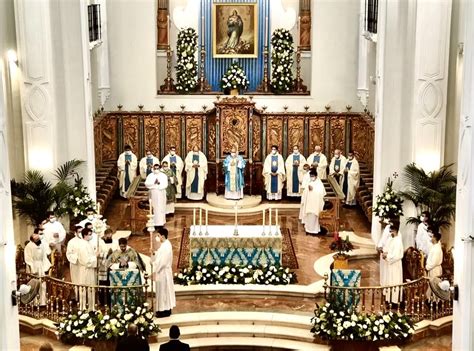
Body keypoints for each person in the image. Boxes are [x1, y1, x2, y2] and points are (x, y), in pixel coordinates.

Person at [24, 229, 51, 305]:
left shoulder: (41, 245)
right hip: (34, 266)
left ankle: (42, 302)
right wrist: (32, 269)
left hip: (41, 266)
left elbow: (44, 257)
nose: (38, 240)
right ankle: (33, 302)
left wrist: (46, 267)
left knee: (42, 285)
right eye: (37, 239)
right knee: (34, 285)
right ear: (33, 240)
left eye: (39, 239)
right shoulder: (29, 246)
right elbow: (28, 259)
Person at [153, 228, 176, 318]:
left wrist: (155, 266)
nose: (157, 238)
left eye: (158, 236)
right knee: (162, 292)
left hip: (163, 273)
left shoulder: (166, 246)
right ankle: (162, 310)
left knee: (164, 293)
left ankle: (164, 311)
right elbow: (160, 255)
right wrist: (154, 253)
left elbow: (162, 262)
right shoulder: (165, 244)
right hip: (162, 272)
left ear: (162, 236)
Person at [382, 223, 404, 304]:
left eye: (391, 231)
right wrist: (385, 253)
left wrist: (387, 256)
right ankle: (388, 299)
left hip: (395, 265)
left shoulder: (398, 241)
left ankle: (394, 301)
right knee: (389, 281)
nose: (390, 233)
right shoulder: (392, 239)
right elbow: (387, 248)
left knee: (394, 282)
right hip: (389, 264)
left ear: (395, 231)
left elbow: (397, 255)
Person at [300, 169, 326, 235]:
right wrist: (307, 190)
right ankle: (308, 229)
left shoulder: (319, 184)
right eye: (311, 176)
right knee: (309, 217)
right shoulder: (309, 182)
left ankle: (314, 230)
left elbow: (321, 193)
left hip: (315, 205)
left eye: (313, 176)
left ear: (316, 176)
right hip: (309, 204)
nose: (312, 177)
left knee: (314, 217)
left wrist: (313, 189)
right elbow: (305, 191)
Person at [77, 228, 97, 310]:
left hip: (90, 270)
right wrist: (95, 256)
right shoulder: (82, 245)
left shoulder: (87, 244)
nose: (91, 236)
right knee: (85, 288)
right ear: (85, 235)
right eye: (89, 234)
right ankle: (85, 308)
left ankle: (91, 307)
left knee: (91, 289)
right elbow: (86, 261)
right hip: (85, 270)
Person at [377, 218, 397, 286]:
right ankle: (382, 283)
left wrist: (388, 254)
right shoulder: (387, 228)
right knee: (383, 269)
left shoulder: (397, 235)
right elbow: (383, 238)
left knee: (388, 272)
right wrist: (380, 246)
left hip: (389, 254)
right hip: (384, 250)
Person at [426, 232, 443, 299]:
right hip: (432, 268)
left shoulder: (437, 249)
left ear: (435, 238)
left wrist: (427, 267)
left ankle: (436, 301)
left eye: (432, 237)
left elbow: (434, 261)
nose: (431, 238)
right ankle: (430, 299)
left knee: (435, 286)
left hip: (435, 269)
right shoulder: (434, 247)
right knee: (431, 285)